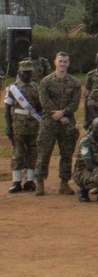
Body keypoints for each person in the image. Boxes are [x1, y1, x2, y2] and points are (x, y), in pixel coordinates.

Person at [34, 51, 81, 196]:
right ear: (55, 62)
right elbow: (44, 102)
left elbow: (75, 103)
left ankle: (64, 183)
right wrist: (59, 115)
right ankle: (40, 183)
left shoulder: (75, 83)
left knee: (67, 153)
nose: (62, 64)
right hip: (49, 121)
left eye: (65, 61)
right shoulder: (46, 82)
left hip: (67, 121)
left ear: (68, 63)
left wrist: (64, 113)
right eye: (60, 61)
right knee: (44, 152)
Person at [5, 59, 41, 192]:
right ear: (20, 72)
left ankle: (30, 181)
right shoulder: (13, 88)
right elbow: (7, 109)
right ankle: (16, 181)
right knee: (17, 153)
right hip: (18, 126)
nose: (26, 75)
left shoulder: (37, 88)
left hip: (33, 125)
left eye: (29, 72)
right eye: (24, 72)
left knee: (32, 152)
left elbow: (39, 108)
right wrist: (9, 127)